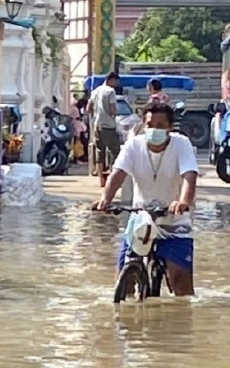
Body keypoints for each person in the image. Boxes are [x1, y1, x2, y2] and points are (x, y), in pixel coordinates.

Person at [92, 103, 199, 296]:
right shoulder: (133, 145)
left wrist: (183, 201)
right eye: (150, 124)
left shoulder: (181, 144)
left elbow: (189, 176)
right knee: (122, 281)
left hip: (174, 220)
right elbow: (117, 174)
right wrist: (105, 199)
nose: (154, 130)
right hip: (141, 219)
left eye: (160, 125)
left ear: (170, 128)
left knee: (180, 282)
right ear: (143, 125)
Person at [86, 72, 122, 188]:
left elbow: (88, 108)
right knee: (115, 152)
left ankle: (101, 179)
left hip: (97, 125)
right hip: (109, 126)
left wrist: (96, 115)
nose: (116, 84)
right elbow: (112, 110)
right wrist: (115, 114)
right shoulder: (110, 92)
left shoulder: (95, 91)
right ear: (111, 80)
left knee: (99, 152)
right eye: (116, 82)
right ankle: (113, 178)